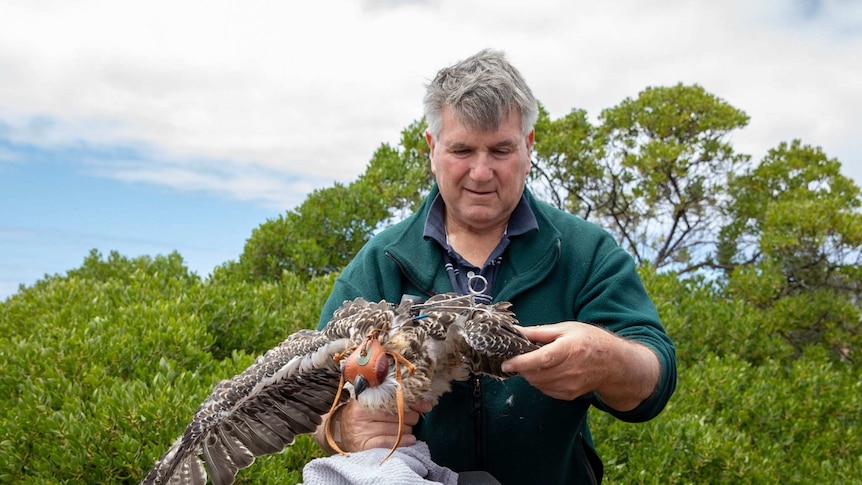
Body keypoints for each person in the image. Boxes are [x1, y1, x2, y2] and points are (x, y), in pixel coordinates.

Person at [312, 48, 677, 484]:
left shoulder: (585, 251)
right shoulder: (381, 260)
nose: (481, 173)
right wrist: (341, 426)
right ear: (432, 149)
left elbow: (655, 378)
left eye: (500, 150)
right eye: (462, 150)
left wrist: (608, 358)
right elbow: (318, 395)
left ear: (528, 146)